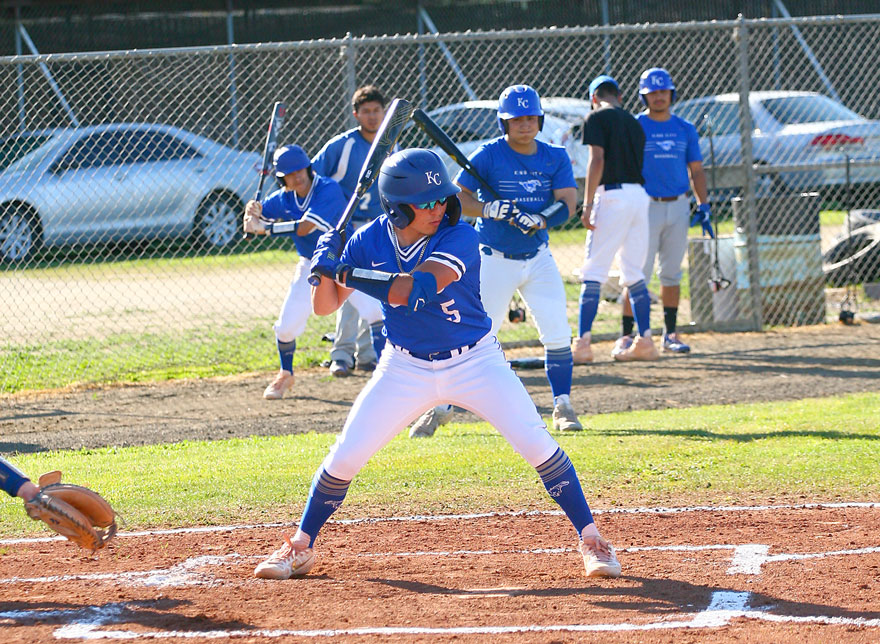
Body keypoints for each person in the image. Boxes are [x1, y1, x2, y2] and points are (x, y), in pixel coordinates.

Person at [252, 148, 620, 581]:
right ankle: (299, 546)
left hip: (475, 361)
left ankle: (593, 539)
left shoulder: (459, 236)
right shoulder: (368, 239)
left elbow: (416, 289)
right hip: (404, 367)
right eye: (423, 203)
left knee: (538, 445)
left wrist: (344, 271)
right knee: (346, 456)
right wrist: (323, 266)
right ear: (395, 207)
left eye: (440, 198)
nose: (437, 208)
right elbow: (324, 306)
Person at [408, 84, 582, 438]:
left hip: (538, 256)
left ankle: (563, 404)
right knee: (475, 335)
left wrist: (543, 217)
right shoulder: (488, 155)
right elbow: (456, 200)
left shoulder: (555, 156)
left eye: (531, 117)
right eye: (516, 119)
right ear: (504, 123)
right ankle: (441, 409)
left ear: (540, 120)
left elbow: (568, 200)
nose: (525, 124)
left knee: (558, 332)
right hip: (494, 258)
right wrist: (490, 208)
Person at [243, 144, 384, 399]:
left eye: (300, 170)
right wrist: (251, 213)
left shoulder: (327, 188)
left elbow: (306, 227)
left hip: (346, 259)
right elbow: (258, 216)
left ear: (308, 168)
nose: (297, 176)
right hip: (311, 264)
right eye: (290, 173)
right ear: (281, 178)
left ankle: (388, 374)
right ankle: (285, 374)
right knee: (285, 327)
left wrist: (265, 229)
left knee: (375, 312)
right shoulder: (285, 198)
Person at [611, 68, 713, 358]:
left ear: (672, 94)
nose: (658, 97)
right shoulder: (634, 125)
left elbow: (695, 169)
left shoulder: (685, 128)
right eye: (653, 92)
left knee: (671, 273)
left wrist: (702, 204)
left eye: (663, 92)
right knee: (636, 273)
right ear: (644, 95)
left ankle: (670, 333)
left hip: (678, 205)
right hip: (644, 206)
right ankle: (627, 335)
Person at [572, 75, 655, 364]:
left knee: (594, 270)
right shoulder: (634, 122)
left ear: (594, 97)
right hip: (639, 196)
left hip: (613, 196)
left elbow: (597, 159)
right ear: (619, 96)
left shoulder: (595, 116)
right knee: (634, 272)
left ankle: (582, 344)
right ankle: (645, 341)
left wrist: (587, 203)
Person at [312, 85, 389, 377]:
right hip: (349, 227)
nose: (372, 116)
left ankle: (367, 353)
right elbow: (313, 178)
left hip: (381, 227)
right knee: (347, 284)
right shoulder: (342, 145)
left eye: (376, 110)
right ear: (356, 114)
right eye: (366, 111)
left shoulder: (389, 144)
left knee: (376, 285)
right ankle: (342, 354)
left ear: (384, 112)